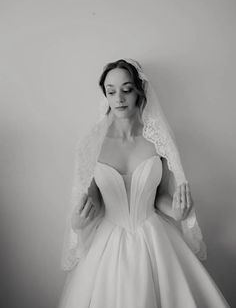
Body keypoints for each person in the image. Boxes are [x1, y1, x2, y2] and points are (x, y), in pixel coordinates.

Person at [58, 59, 230, 307]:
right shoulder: (91, 144)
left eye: (127, 89)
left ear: (140, 91)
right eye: (111, 91)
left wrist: (179, 212)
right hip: (108, 245)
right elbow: (93, 202)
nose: (119, 98)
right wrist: (78, 221)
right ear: (104, 94)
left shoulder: (158, 141)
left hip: (154, 239)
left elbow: (159, 196)